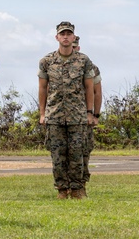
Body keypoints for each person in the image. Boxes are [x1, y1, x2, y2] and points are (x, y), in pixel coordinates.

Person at [38, 22, 96, 199]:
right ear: (57, 37)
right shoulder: (47, 61)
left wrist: (89, 112)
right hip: (54, 116)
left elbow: (89, 88)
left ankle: (77, 189)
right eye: (62, 34)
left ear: (73, 38)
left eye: (68, 34)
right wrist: (42, 113)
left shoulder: (83, 61)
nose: (65, 37)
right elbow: (42, 88)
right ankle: (62, 190)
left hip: (77, 116)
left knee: (77, 153)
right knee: (58, 154)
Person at [72, 35, 102, 189]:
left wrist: (95, 115)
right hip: (66, 116)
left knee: (84, 150)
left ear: (79, 47)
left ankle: (81, 183)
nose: (73, 49)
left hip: (85, 116)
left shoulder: (90, 67)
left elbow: (97, 92)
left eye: (75, 47)